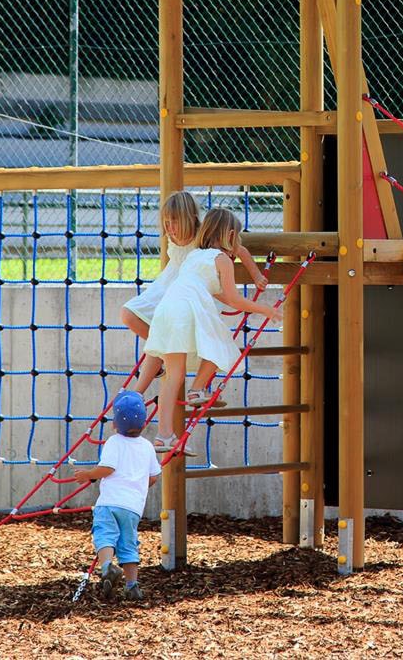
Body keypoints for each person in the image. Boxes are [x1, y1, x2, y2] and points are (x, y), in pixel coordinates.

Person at [143, 207, 282, 455]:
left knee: (173, 376)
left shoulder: (195, 256)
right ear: (229, 235)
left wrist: (249, 304)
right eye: (236, 237)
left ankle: (164, 436)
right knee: (223, 344)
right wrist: (265, 309)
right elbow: (234, 299)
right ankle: (197, 388)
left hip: (167, 310)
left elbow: (220, 295)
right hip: (188, 310)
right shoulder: (221, 260)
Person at [123, 193, 267, 399]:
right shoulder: (172, 238)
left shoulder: (203, 237)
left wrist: (257, 275)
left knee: (166, 337)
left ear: (190, 219)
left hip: (194, 292)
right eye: (166, 222)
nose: (170, 228)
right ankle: (141, 388)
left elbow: (240, 249)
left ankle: (145, 387)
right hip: (171, 285)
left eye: (175, 222)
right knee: (130, 316)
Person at [71, 389, 161, 602]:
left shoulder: (114, 441)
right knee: (128, 543)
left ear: (114, 424)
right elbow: (154, 477)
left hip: (110, 503)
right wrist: (138, 485)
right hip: (132, 507)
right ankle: (132, 586)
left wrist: (89, 475)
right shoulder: (147, 447)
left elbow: (108, 468)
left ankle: (107, 568)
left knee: (104, 534)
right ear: (145, 424)